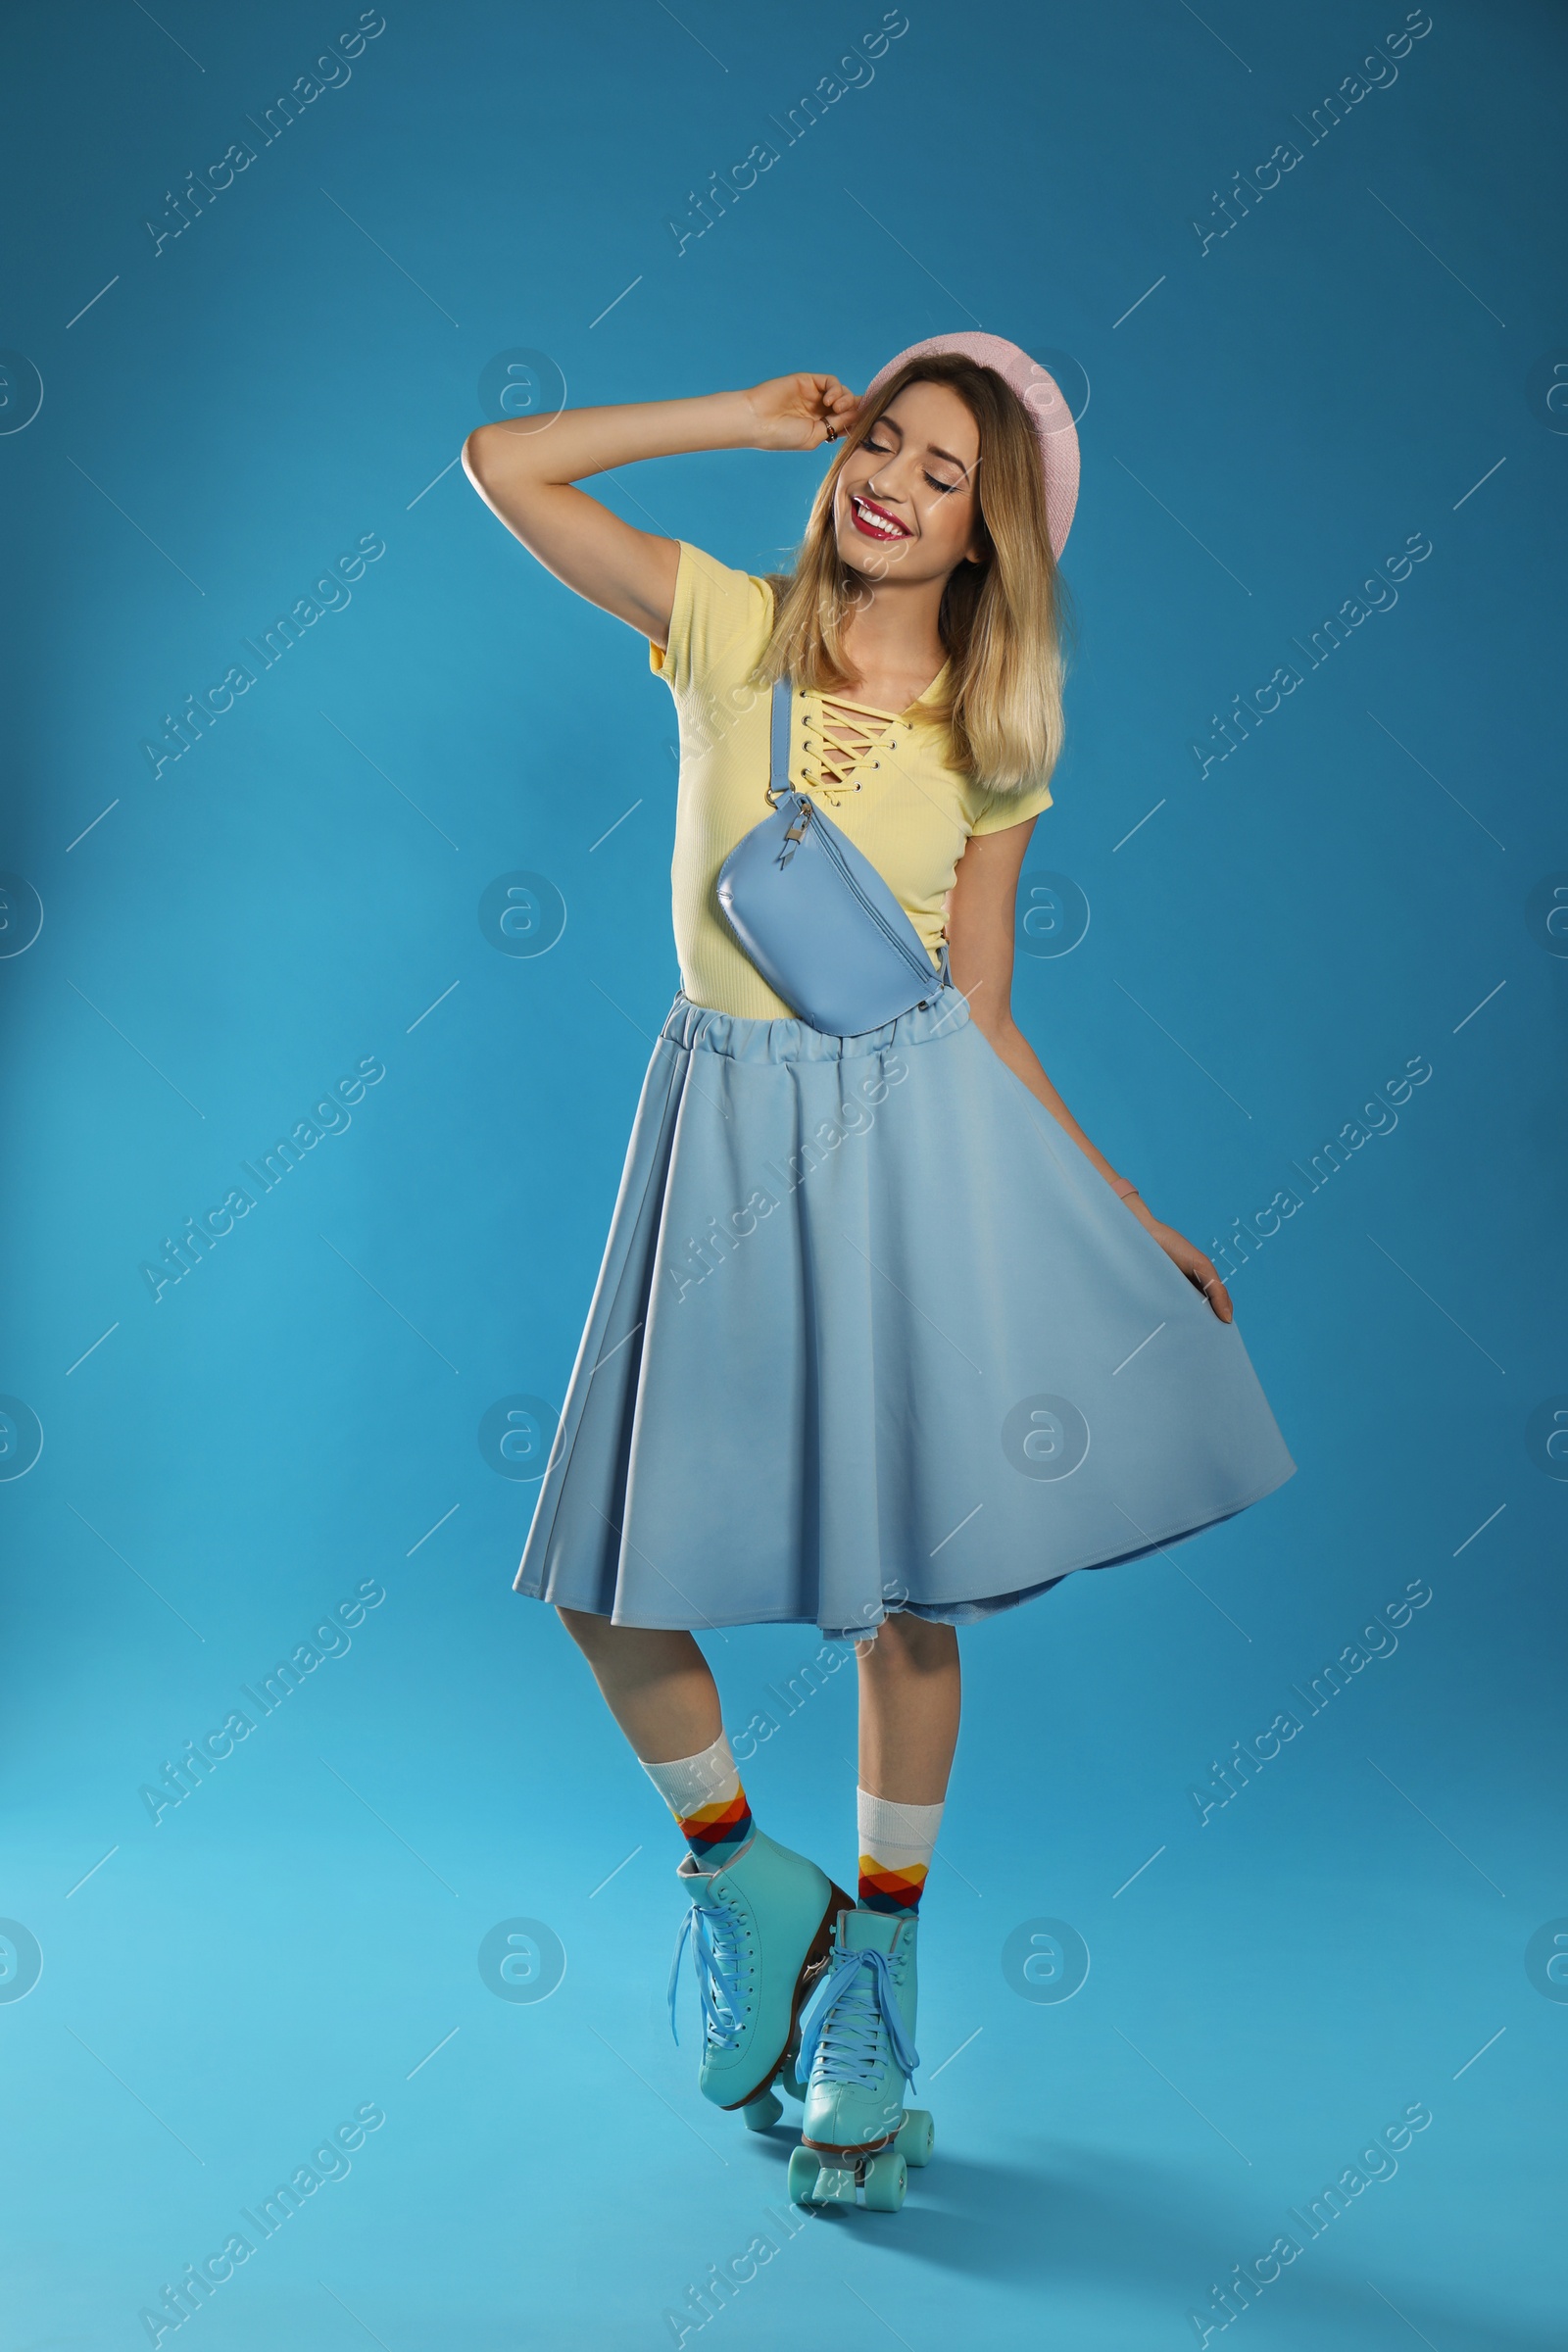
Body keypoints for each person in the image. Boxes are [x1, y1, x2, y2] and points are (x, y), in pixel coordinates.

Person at [463, 334, 1294, 2214]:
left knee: (907, 1599)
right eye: (880, 446)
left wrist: (1125, 1207)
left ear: (987, 532)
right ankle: (756, 1891)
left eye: (938, 471)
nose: (890, 482)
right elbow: (507, 464)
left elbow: (984, 1014)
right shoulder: (731, 628)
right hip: (718, 1130)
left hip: (901, 1155)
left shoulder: (995, 741)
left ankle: (880, 1996)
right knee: (605, 1579)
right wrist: (729, 414)